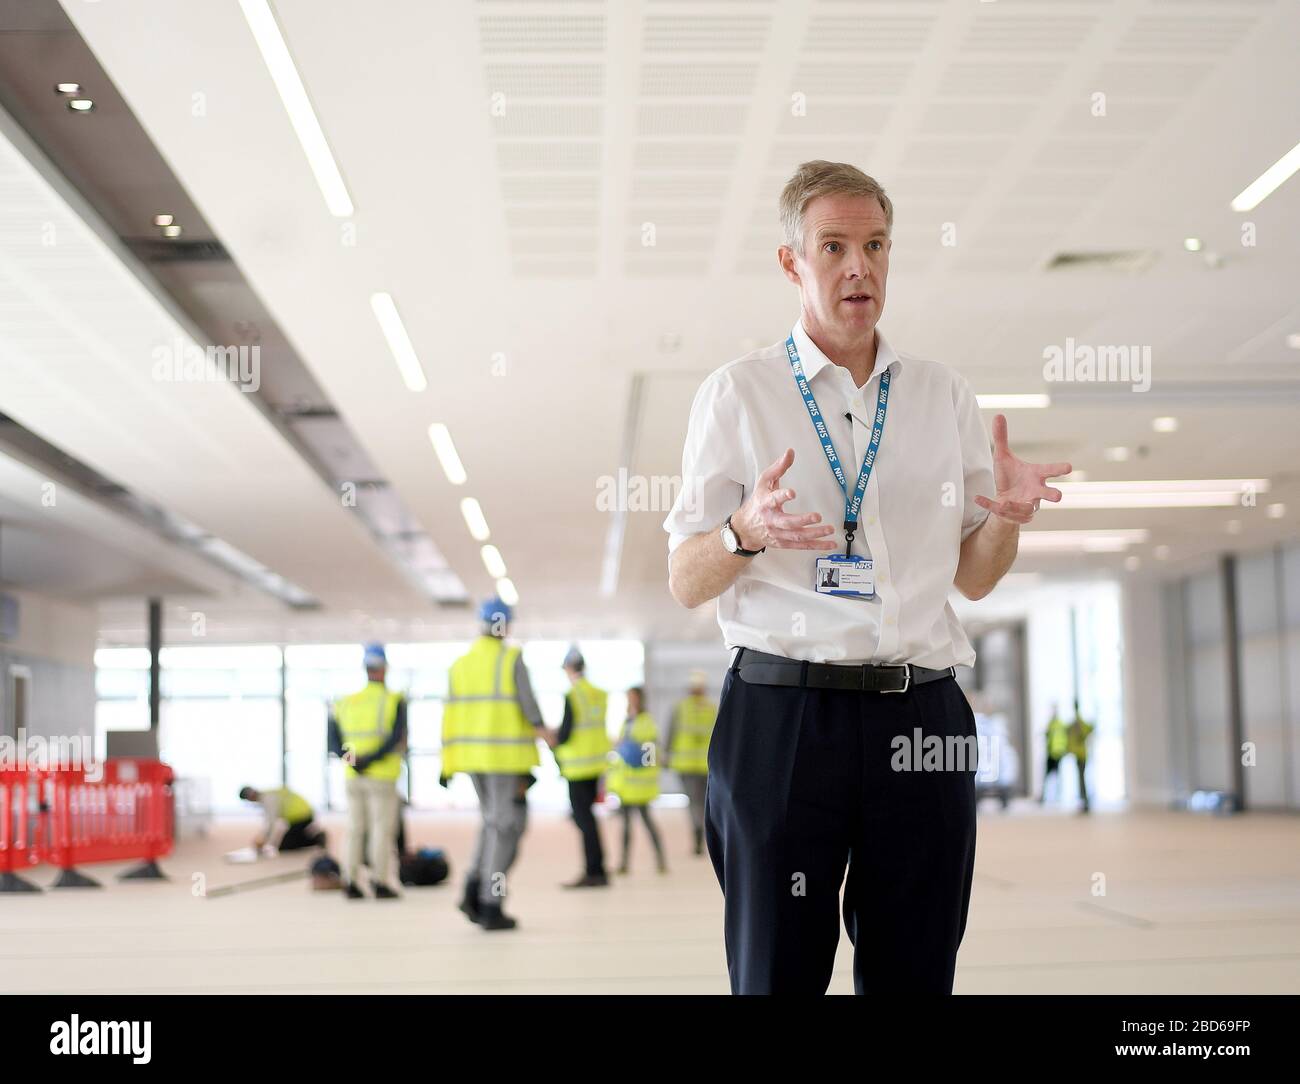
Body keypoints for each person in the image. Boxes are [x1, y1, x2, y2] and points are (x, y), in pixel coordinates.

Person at [663, 160, 1071, 994]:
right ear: (792, 263)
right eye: (836, 246)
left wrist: (1004, 519)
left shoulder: (940, 395)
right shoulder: (736, 396)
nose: (861, 267)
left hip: (923, 715)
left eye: (877, 245)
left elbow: (976, 577)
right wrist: (744, 532)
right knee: (776, 971)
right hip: (784, 718)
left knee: (917, 973)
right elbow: (685, 578)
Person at [441, 597, 546, 931]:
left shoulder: (461, 664)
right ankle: (490, 902)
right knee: (506, 829)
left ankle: (472, 890)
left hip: (474, 761)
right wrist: (547, 733)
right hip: (505, 759)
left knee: (491, 824)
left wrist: (446, 764)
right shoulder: (511, 658)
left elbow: (450, 716)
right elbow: (530, 708)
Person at [327, 642, 407, 900]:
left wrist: (353, 760)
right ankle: (379, 881)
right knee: (381, 829)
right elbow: (397, 738)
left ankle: (350, 881)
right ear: (384, 668)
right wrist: (370, 760)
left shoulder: (345, 702)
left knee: (354, 828)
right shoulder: (394, 700)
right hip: (381, 776)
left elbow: (333, 742)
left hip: (353, 777)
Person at [552, 646, 611, 888]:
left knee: (583, 819)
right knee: (588, 818)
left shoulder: (573, 695)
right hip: (596, 763)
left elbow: (566, 732)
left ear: (568, 668)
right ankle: (598, 867)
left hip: (577, 767)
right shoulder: (599, 694)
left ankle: (594, 870)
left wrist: (553, 739)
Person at [606, 687, 667, 875]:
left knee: (647, 822)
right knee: (625, 825)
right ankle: (624, 863)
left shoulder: (646, 722)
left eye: (633, 697)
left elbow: (648, 752)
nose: (630, 701)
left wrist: (628, 749)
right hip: (626, 785)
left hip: (639, 784)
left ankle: (660, 860)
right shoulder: (628, 722)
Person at [665, 670, 716, 855]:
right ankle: (701, 834)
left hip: (685, 764)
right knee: (703, 803)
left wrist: (666, 756)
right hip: (705, 765)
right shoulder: (711, 708)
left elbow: (670, 733)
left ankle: (697, 833)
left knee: (693, 802)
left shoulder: (681, 707)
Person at [238, 785, 326, 852]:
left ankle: (316, 839)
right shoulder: (269, 794)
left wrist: (263, 840)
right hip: (304, 814)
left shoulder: (268, 799)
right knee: (294, 837)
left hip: (300, 817)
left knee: (285, 846)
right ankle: (315, 838)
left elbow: (271, 823)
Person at [1067, 700, 1095, 814]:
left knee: (1081, 779)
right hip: (1081, 753)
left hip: (1080, 754)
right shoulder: (1079, 722)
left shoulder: (1076, 723)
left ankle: (1085, 801)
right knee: (1082, 779)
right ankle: (1084, 800)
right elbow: (1090, 729)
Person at [1039, 705, 1068, 804]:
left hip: (1055, 754)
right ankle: (1048, 796)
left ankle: (1056, 796)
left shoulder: (1056, 724)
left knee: (1054, 776)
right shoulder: (1056, 723)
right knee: (1050, 776)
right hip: (1054, 753)